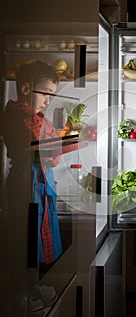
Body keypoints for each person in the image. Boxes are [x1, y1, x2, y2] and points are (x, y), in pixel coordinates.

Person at [1, 60, 63, 312]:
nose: (48, 100)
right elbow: (48, 153)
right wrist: (55, 142)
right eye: (46, 93)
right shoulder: (16, 116)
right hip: (24, 181)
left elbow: (51, 151)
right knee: (23, 238)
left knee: (34, 236)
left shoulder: (33, 118)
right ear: (26, 88)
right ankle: (20, 296)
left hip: (35, 181)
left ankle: (31, 285)